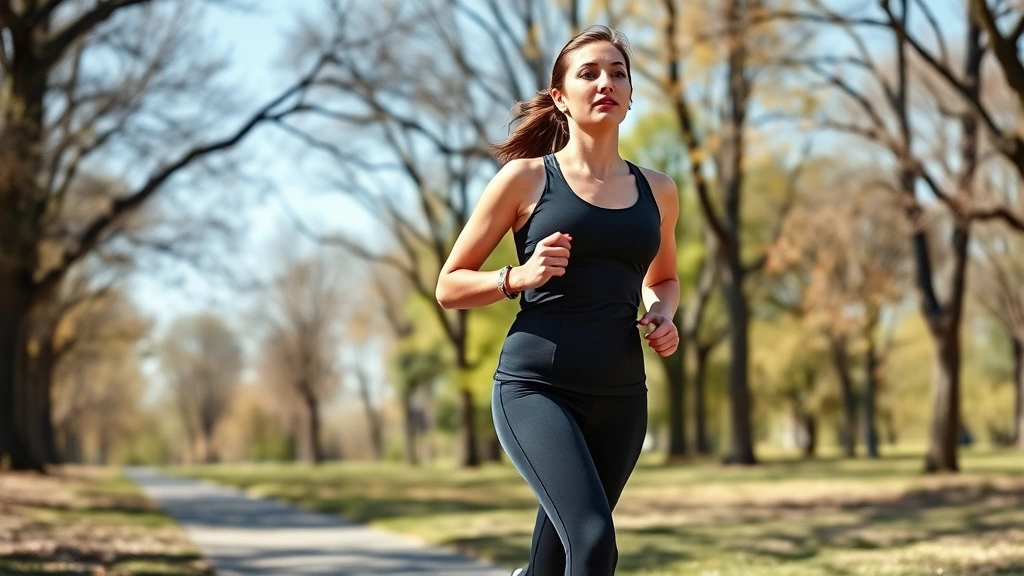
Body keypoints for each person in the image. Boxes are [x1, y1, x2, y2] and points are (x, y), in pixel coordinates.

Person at [435, 25, 680, 576]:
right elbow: (449, 285)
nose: (606, 83)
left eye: (618, 73)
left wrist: (663, 312)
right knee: (593, 543)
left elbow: (663, 280)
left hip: (621, 396)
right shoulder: (524, 180)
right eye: (588, 73)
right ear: (560, 98)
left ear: (631, 95)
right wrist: (516, 277)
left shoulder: (658, 190)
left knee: (553, 561)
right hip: (536, 388)